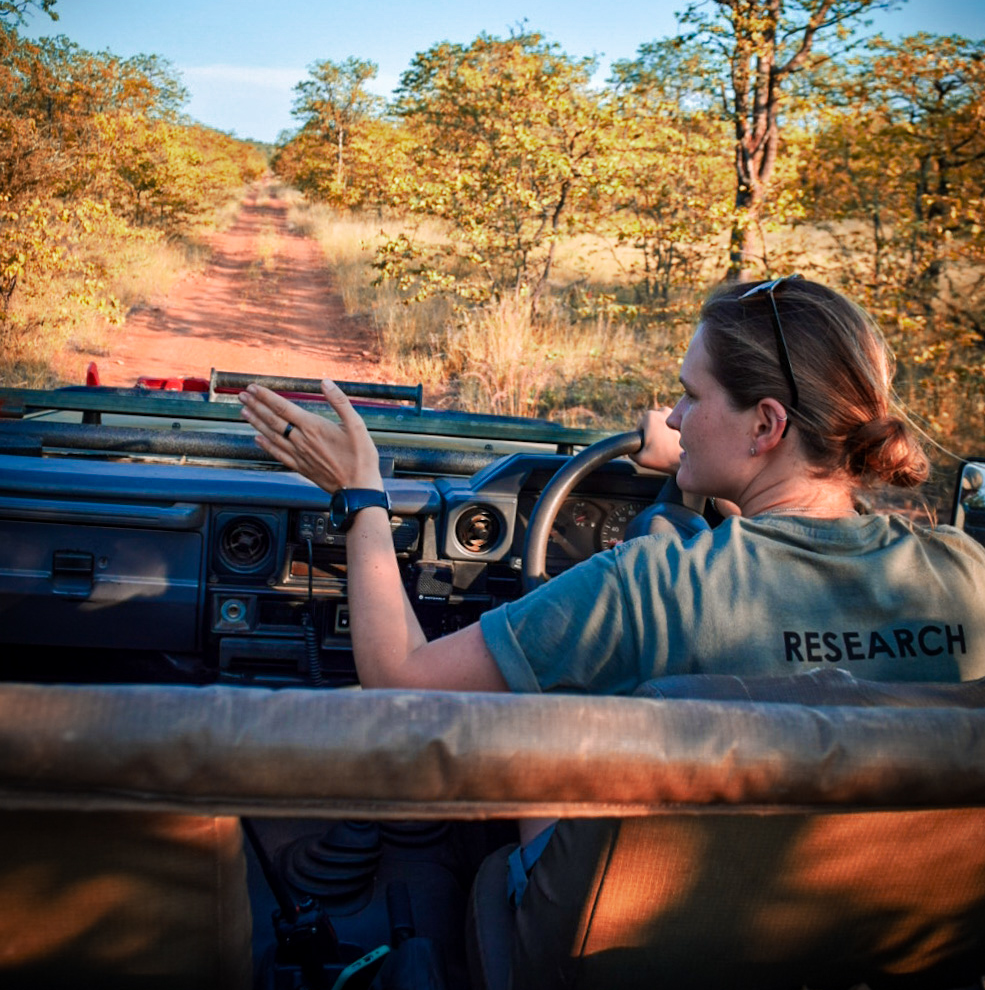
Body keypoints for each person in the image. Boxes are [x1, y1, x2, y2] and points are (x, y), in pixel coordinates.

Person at [239, 276, 985, 695]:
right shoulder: (965, 575)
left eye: (690, 396)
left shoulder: (651, 588)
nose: (675, 416)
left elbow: (404, 683)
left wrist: (362, 494)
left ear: (764, 425)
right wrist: (697, 472)